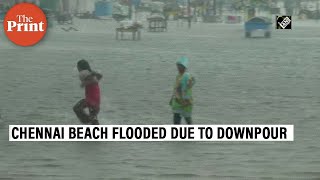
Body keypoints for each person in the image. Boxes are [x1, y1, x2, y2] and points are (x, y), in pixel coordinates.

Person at [73, 59, 102, 125]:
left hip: (91, 99)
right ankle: (91, 121)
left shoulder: (84, 74)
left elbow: (93, 81)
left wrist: (84, 83)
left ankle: (89, 121)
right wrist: (93, 74)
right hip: (96, 98)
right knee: (93, 118)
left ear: (80, 67)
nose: (77, 68)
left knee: (77, 108)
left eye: (78, 66)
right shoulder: (91, 75)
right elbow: (99, 77)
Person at [169, 56, 195, 125]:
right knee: (176, 120)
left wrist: (188, 83)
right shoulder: (178, 76)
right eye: (178, 66)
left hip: (186, 103)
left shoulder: (187, 76)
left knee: (188, 120)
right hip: (177, 101)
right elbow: (176, 88)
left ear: (184, 67)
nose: (178, 68)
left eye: (180, 66)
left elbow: (191, 82)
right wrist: (172, 98)